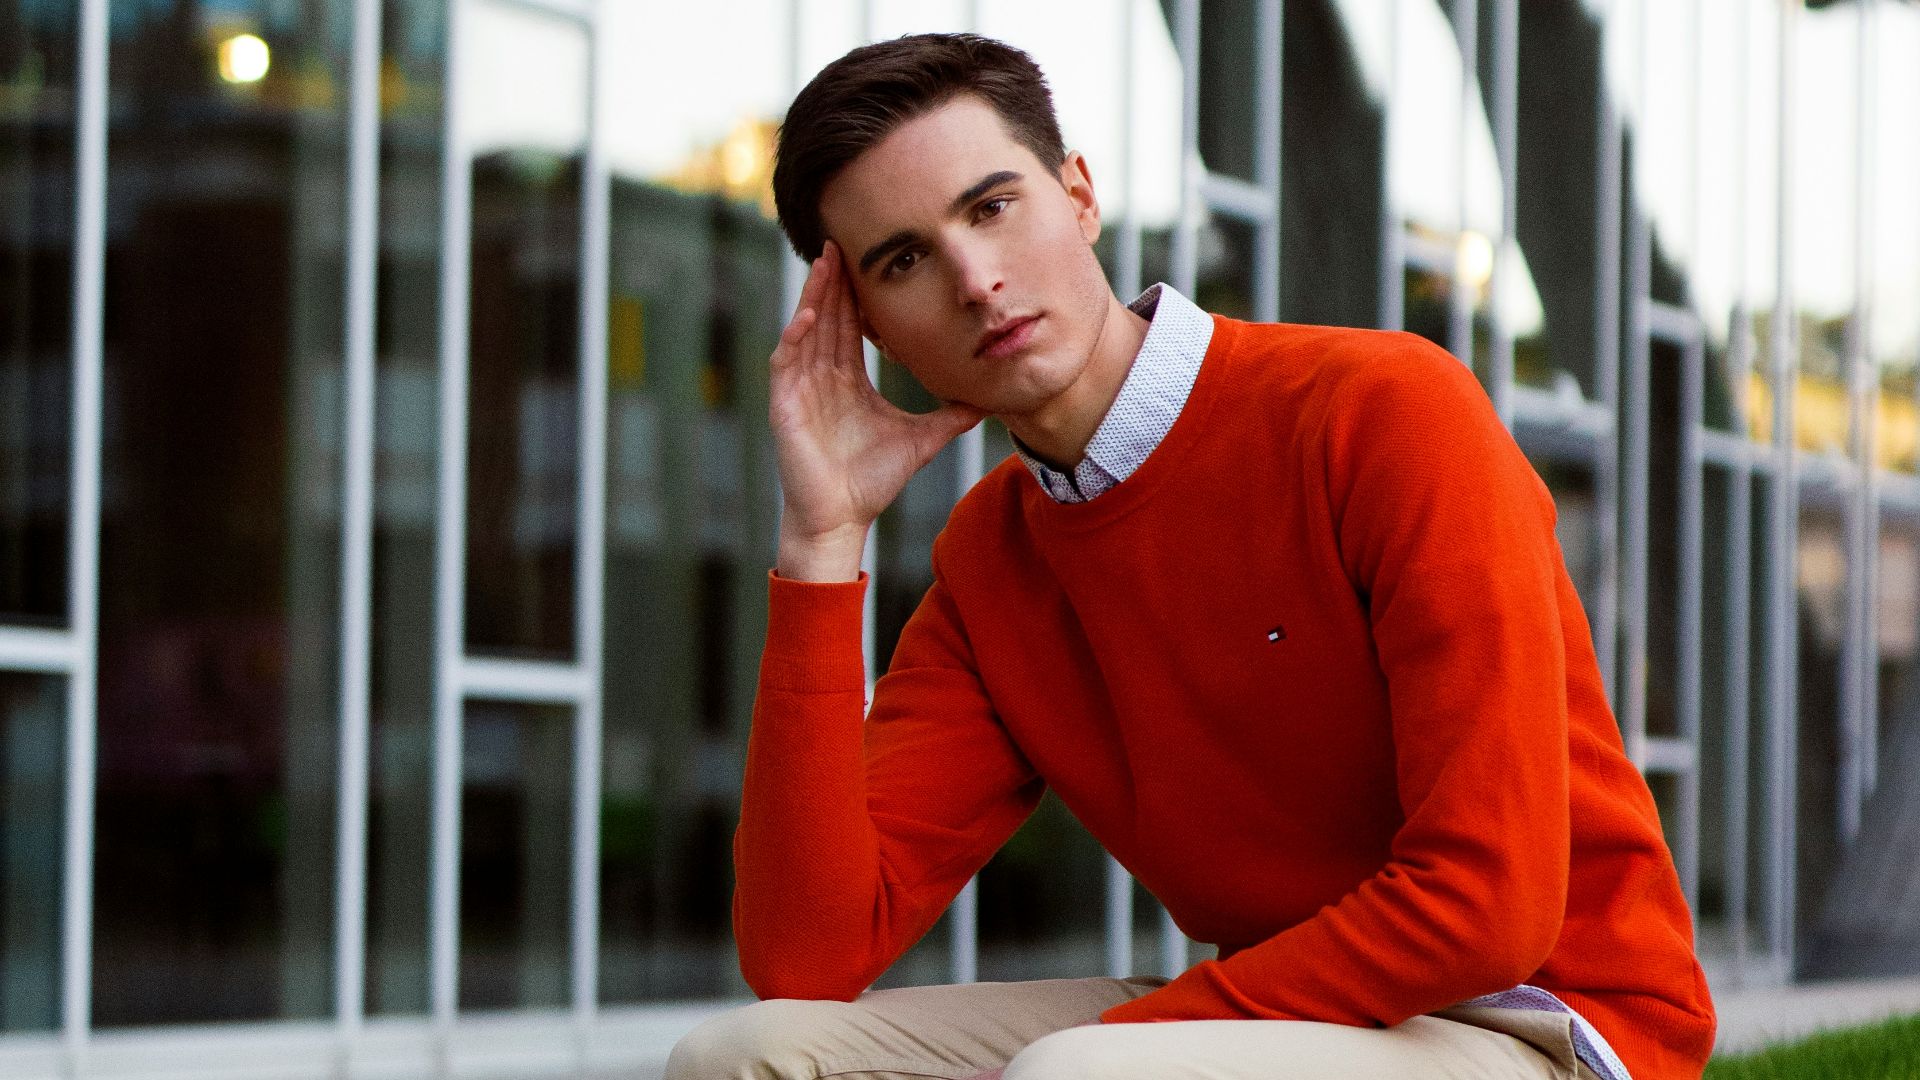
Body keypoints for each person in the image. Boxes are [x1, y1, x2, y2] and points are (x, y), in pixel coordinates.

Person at [664, 31, 1716, 1080]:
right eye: (904, 260)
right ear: (874, 330)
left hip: (1547, 1017)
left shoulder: (1384, 412)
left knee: (1079, 1075)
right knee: (744, 1058)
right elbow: (805, 953)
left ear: (1079, 195)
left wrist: (1115, 1043)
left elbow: (1489, 906)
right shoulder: (992, 561)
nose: (975, 282)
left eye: (990, 208)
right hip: (1285, 1010)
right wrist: (822, 540)